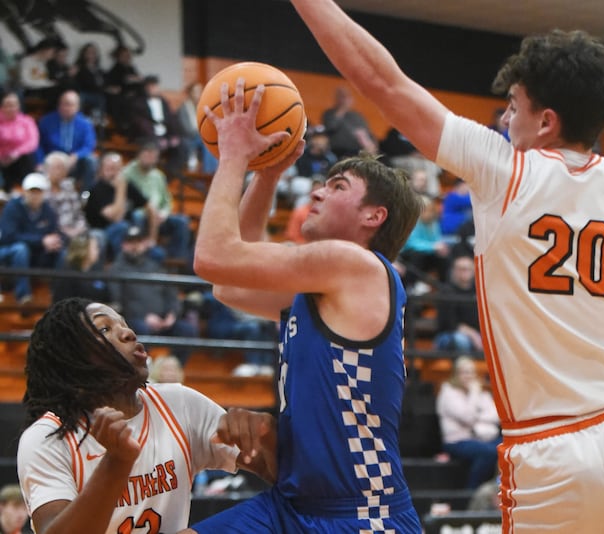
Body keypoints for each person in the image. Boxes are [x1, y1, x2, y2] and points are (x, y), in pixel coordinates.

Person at [288, 3, 604, 531]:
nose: (505, 120)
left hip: (549, 450)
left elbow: (379, 80)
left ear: (546, 122)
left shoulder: (500, 169)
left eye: (512, 107)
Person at [185, 78, 423, 532]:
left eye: (337, 186)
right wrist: (268, 173)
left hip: (363, 514)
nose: (317, 192)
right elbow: (225, 283)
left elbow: (212, 256)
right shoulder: (322, 286)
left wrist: (234, 155)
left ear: (374, 216)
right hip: (291, 503)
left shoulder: (355, 265)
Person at [16, 297, 276, 533]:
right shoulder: (46, 437)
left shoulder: (179, 402)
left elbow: (285, 476)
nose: (128, 332)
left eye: (124, 324)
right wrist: (116, 463)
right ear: (70, 357)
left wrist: (266, 437)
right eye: (105, 329)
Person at [108, 226, 199, 364]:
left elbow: (171, 293)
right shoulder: (116, 269)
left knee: (187, 330)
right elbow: (118, 301)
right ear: (123, 245)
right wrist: (144, 317)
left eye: (138, 242)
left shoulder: (155, 267)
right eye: (130, 242)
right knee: (139, 329)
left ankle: (173, 368)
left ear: (144, 244)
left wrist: (172, 314)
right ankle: (143, 368)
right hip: (135, 320)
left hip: (163, 320)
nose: (135, 246)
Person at [436, 356, 500, 490]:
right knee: (489, 452)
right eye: (464, 372)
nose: (468, 376)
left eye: (471, 372)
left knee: (507, 445)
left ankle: (499, 489)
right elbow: (467, 417)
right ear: (456, 374)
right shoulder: (448, 393)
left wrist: (476, 422)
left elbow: (495, 416)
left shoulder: (480, 393)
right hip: (456, 442)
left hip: (480, 438)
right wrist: (474, 394)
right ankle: (471, 491)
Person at [0, 172, 63, 303]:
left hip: (36, 253)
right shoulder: (12, 207)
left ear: (44, 193)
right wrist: (41, 240)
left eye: (38, 191)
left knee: (61, 251)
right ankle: (23, 295)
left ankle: (58, 295)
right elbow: (9, 237)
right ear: (24, 192)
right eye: (31, 191)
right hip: (9, 251)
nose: (35, 195)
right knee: (21, 249)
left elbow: (51, 235)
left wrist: (54, 242)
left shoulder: (48, 211)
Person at [36, 90, 97, 192]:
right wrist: (40, 161)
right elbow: (39, 144)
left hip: (74, 161)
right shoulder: (46, 121)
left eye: (70, 105)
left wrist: (76, 155)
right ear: (59, 105)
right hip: (51, 158)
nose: (67, 108)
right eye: (64, 104)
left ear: (77, 107)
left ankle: (85, 195)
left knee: (91, 160)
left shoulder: (85, 123)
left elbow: (89, 145)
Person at [434, 254, 482, 353]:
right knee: (461, 340)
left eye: (467, 269)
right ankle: (462, 365)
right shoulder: (446, 292)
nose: (464, 272)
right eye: (460, 269)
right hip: (448, 335)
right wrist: (472, 334)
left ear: (473, 271)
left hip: (476, 335)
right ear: (454, 271)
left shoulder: (479, 292)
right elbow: (450, 324)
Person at [49, 232, 110, 303]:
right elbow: (62, 304)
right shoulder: (67, 275)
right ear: (84, 251)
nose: (98, 251)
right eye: (95, 248)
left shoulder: (96, 271)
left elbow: (106, 296)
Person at [321, 86, 377, 158]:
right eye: (342, 97)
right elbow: (331, 127)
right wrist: (342, 109)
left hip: (358, 152)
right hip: (338, 152)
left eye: (347, 97)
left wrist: (372, 145)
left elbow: (367, 133)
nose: (345, 100)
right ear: (336, 98)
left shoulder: (357, 116)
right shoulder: (329, 113)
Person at [0, 91, 39, 193]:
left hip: (20, 158)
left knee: (27, 158)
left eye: (13, 105)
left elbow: (32, 142)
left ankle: (28, 190)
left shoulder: (27, 121)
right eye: (7, 105)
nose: (10, 108)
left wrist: (16, 153)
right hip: (2, 159)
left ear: (19, 106)